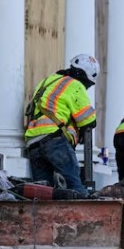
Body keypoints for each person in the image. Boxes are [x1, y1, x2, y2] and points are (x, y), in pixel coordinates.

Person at [23, 54, 99, 197]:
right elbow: (88, 120)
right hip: (54, 140)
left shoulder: (48, 81)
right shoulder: (75, 85)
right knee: (75, 186)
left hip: (33, 142)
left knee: (43, 193)